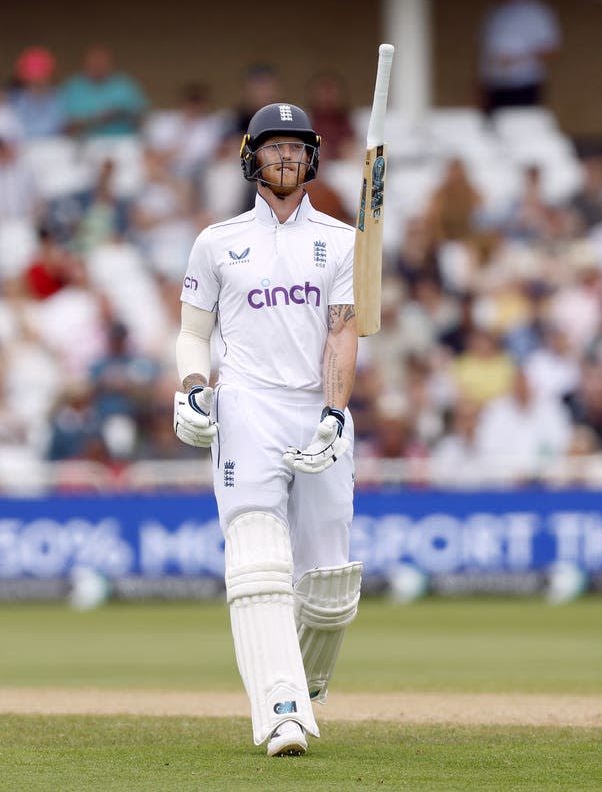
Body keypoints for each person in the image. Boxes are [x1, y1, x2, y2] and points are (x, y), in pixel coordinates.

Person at [173, 102, 361, 757]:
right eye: (273, 146)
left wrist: (335, 412)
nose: (285, 156)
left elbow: (343, 332)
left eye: (296, 147)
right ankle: (280, 710)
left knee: (331, 589)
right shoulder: (217, 240)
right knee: (257, 555)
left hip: (315, 406)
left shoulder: (341, 240)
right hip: (247, 402)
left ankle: (301, 684)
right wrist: (195, 391)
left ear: (311, 157)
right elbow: (194, 333)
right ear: (252, 155)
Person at [478, 0, 561, 114]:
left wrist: (515, 60)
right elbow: (485, 50)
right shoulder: (496, 11)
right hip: (493, 84)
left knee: (520, 127)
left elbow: (550, 49)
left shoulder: (535, 11)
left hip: (523, 84)